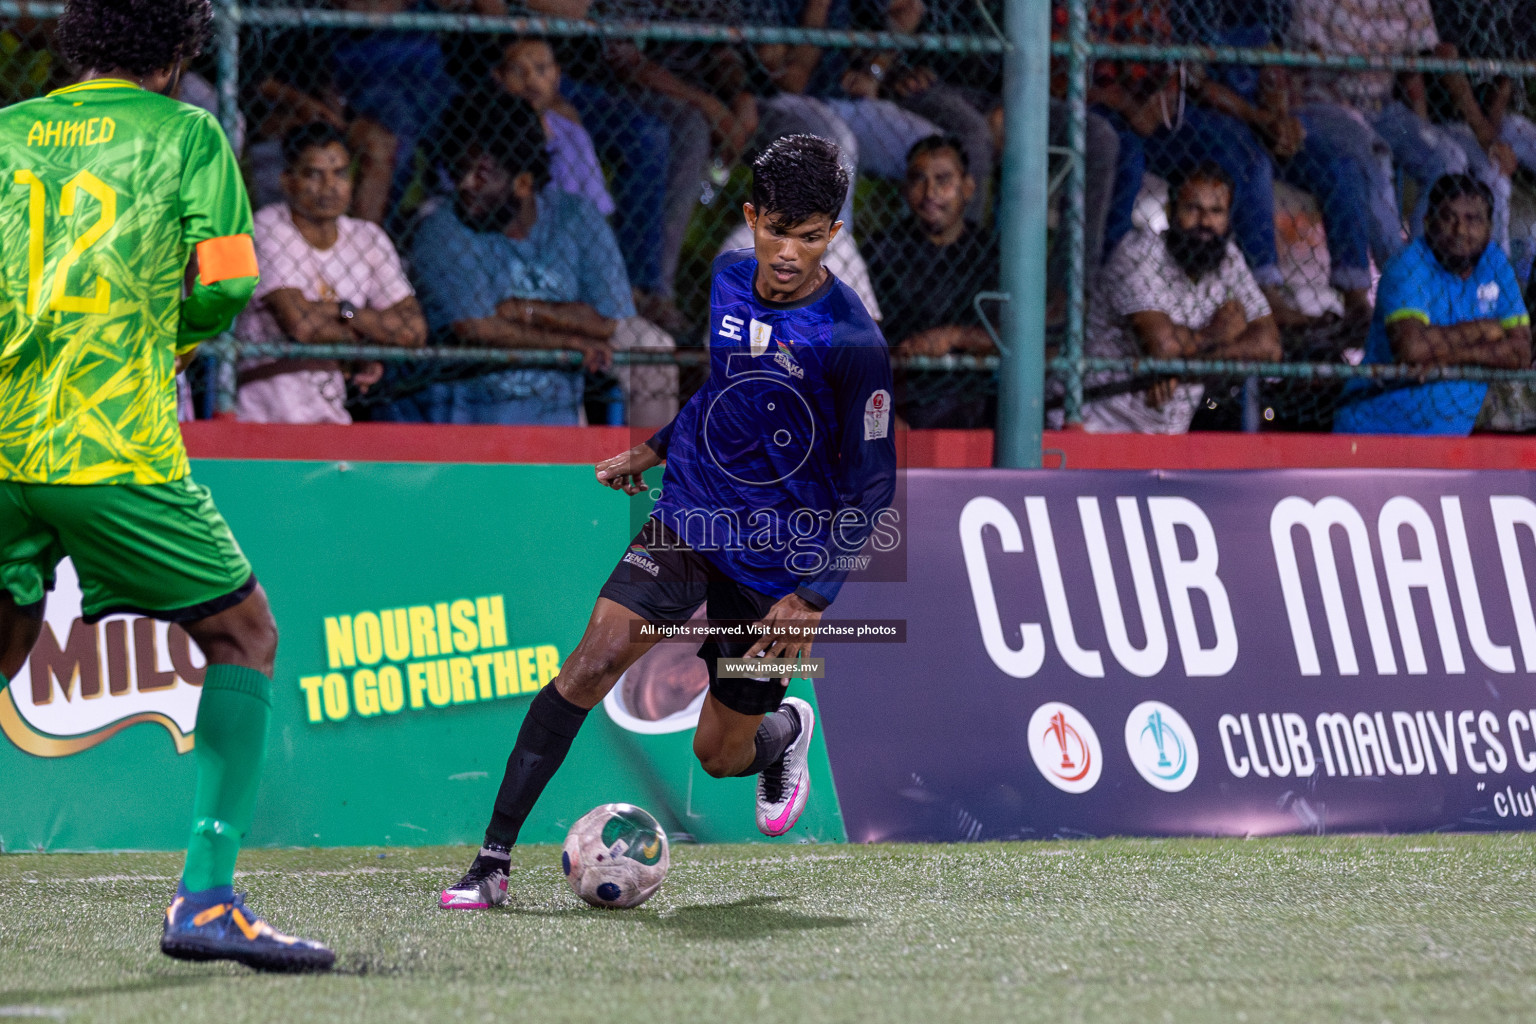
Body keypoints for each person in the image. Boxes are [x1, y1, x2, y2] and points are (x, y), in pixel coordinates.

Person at [438, 135, 896, 909]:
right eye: (776, 229)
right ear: (750, 218)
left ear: (834, 236)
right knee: (592, 661)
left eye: (810, 235)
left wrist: (812, 596)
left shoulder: (854, 343)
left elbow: (874, 488)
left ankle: (783, 732)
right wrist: (654, 448)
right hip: (692, 515)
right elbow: (724, 393)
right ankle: (491, 861)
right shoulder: (725, 281)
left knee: (720, 755)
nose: (789, 252)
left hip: (777, 566)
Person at [0, 0, 332, 970]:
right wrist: (160, 338)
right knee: (243, 632)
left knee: (9, 638)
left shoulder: (9, 133)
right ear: (182, 49)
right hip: (108, 445)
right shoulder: (187, 133)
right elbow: (230, 282)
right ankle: (210, 898)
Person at [383, 94, 676, 426]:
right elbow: (477, 326)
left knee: (652, 349)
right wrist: (569, 340)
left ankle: (651, 474)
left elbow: (606, 319)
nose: (465, 184)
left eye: (481, 174)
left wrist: (526, 311)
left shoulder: (575, 215)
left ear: (522, 183)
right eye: (460, 170)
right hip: (470, 423)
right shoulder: (442, 228)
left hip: (558, 420)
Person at [236, 122, 427, 424]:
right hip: (262, 415)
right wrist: (367, 342)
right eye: (314, 175)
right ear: (288, 181)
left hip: (329, 415)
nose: (329, 187)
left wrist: (343, 312)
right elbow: (301, 325)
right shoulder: (270, 226)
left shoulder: (367, 238)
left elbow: (412, 330)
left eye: (339, 173)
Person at [1286, 0, 1511, 255]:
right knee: (1376, 155)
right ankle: (1397, 267)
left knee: (1447, 155)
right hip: (1327, 104)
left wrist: (1422, 130)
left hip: (1384, 111)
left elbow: (1411, 71)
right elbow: (1303, 63)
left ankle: (1427, 259)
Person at [1082, 164, 1281, 434]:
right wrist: (1218, 333)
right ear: (1170, 211)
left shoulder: (1229, 259)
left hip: (1167, 437)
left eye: (1216, 212)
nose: (1205, 222)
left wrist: (1182, 360)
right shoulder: (1138, 254)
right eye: (1192, 209)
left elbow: (1269, 345)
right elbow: (1164, 347)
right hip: (1096, 424)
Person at [1334, 174, 1532, 436]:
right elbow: (1413, 349)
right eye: (1449, 218)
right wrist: (1485, 331)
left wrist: (1445, 357)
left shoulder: (1494, 262)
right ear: (1427, 223)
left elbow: (1520, 353)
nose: (1460, 230)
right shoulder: (1409, 266)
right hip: (1378, 430)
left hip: (1453, 439)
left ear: (1489, 228)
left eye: (1472, 220)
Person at [867, 135, 999, 428]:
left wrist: (954, 337)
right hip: (905, 398)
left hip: (975, 396)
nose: (930, 193)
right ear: (905, 188)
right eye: (918, 179)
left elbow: (1014, 337)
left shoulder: (989, 251)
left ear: (968, 188)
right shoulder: (882, 251)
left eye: (943, 180)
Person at [494, 37, 615, 218]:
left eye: (541, 69)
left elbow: (596, 209)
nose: (531, 80)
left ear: (557, 76)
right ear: (499, 77)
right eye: (518, 70)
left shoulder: (572, 133)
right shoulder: (484, 134)